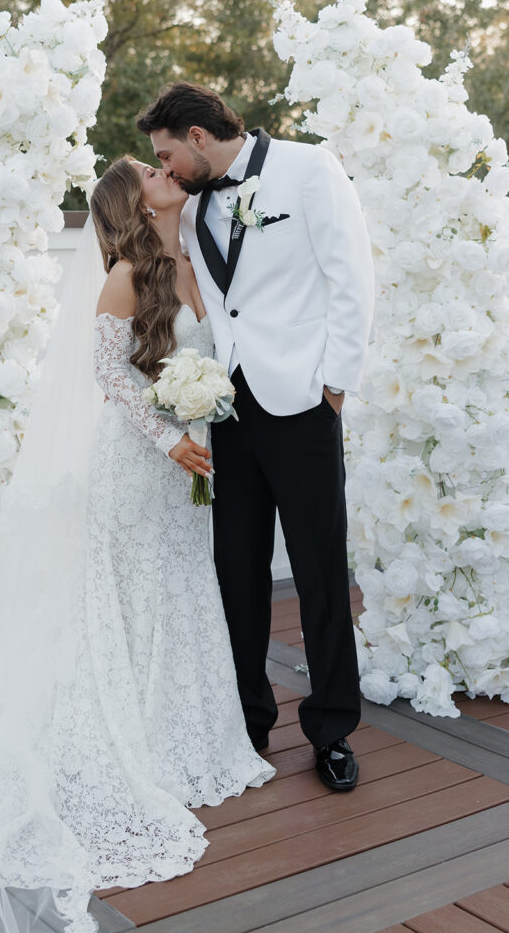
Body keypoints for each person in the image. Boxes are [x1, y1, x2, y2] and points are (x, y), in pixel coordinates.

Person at [0, 157, 274, 933]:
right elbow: (110, 374)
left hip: (189, 459)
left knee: (178, 585)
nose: (166, 172)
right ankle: (129, 743)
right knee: (128, 591)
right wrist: (169, 437)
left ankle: (182, 734)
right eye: (150, 171)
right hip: (137, 463)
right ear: (134, 201)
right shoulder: (125, 275)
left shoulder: (193, 256)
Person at [137, 82, 375, 792]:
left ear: (199, 136)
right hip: (227, 409)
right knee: (236, 574)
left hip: (302, 402)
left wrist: (335, 386)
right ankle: (248, 722)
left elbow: (352, 278)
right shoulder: (194, 203)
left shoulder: (310, 170)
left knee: (319, 573)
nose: (166, 168)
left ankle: (332, 729)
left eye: (167, 153)